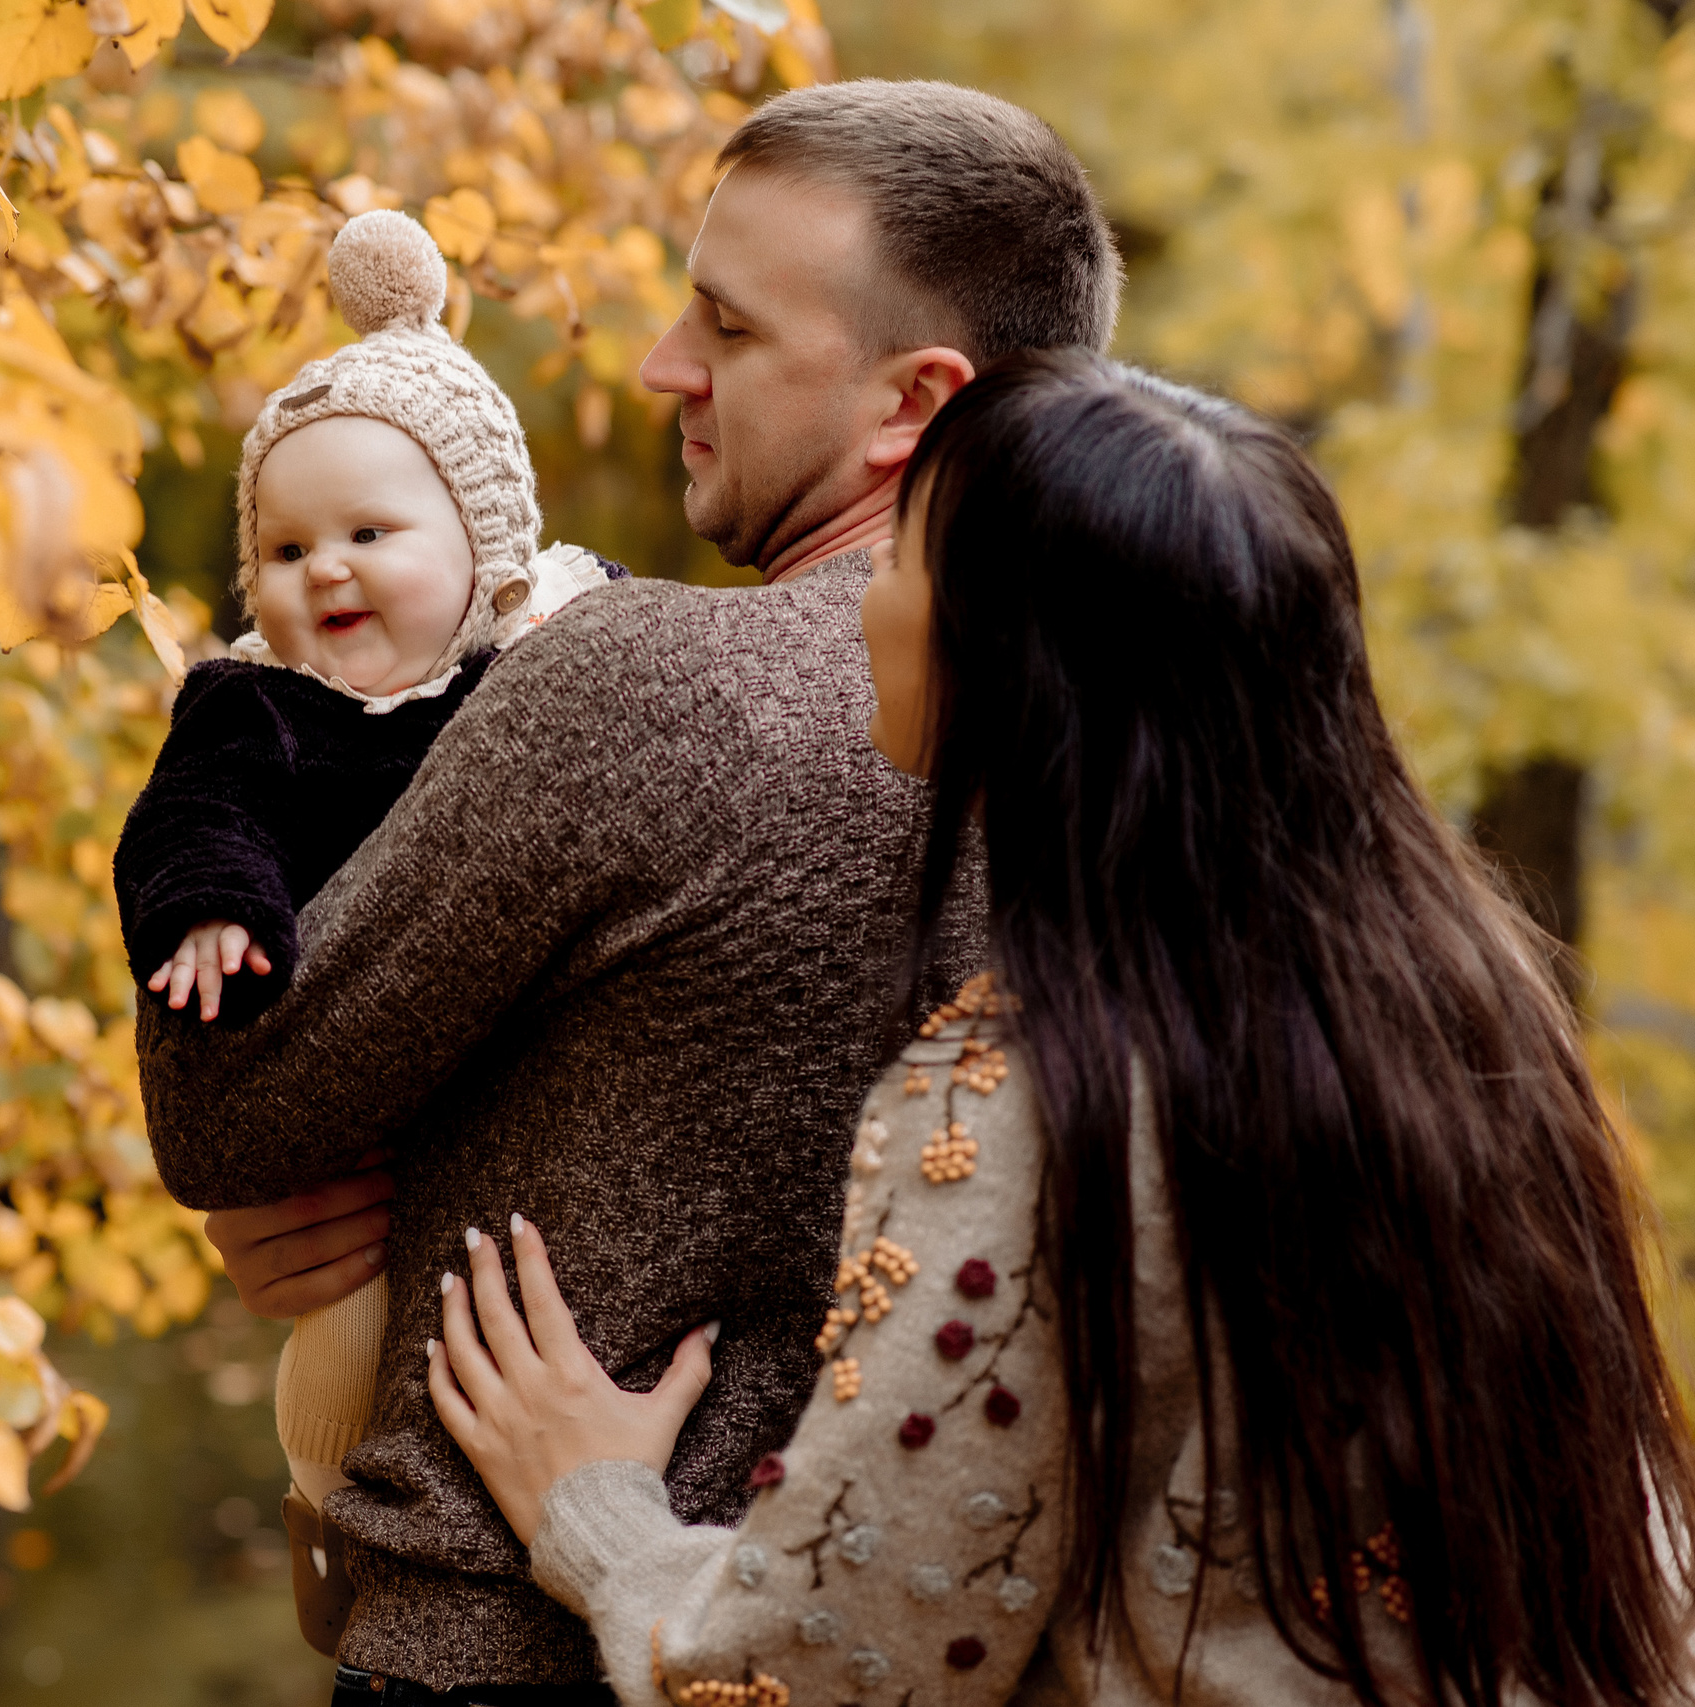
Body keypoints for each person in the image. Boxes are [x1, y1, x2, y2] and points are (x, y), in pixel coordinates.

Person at [427, 350, 1695, 1707]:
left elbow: (836, 1669)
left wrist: (600, 1515)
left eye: (905, 555)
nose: (870, 602)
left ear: (1014, 660)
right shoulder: (1464, 1001)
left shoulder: (1029, 1099)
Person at [136, 82, 1121, 1702]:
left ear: (910, 404)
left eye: (724, 329)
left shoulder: (645, 686)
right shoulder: (1174, 744)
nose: (664, 366)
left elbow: (227, 1103)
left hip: (521, 1645)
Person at [115, 207, 620, 1654]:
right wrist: (212, 906)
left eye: (369, 535)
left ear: (487, 542)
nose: (321, 571)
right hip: (342, 1133)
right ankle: (336, 1526)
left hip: (520, 1118)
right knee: (344, 1348)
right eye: (283, 546)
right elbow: (190, 820)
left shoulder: (563, 653)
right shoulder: (257, 704)